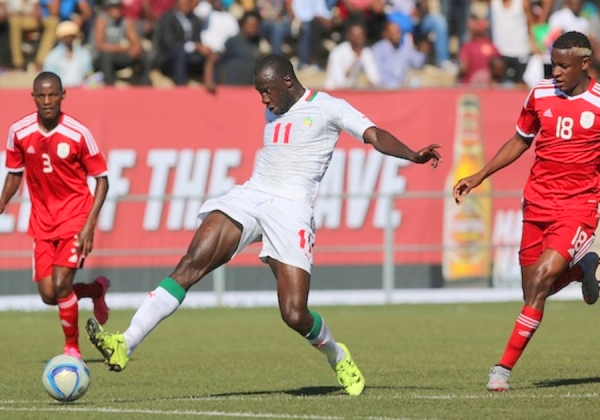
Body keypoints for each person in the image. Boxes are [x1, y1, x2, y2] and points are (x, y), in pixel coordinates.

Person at [85, 54, 442, 396]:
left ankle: (338, 356)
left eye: (267, 91)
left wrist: (412, 154)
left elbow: (374, 135)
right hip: (250, 196)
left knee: (294, 313)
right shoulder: (274, 108)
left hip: (292, 210)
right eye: (259, 92)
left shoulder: (329, 107)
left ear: (288, 82)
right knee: (190, 263)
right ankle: (124, 343)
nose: (263, 101)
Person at [453, 31, 600, 392]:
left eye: (564, 66)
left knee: (539, 283)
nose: (557, 71)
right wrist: (480, 174)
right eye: (553, 64)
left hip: (578, 207)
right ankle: (584, 268)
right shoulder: (540, 93)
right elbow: (521, 139)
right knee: (532, 290)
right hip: (536, 204)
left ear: (585, 64)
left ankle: (501, 370)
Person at [0, 72, 111, 359]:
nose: (48, 100)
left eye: (53, 95)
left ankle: (72, 349)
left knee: (62, 284)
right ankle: (95, 291)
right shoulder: (19, 132)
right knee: (50, 295)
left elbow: (102, 180)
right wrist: (2, 203)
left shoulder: (78, 133)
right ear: (34, 97)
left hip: (75, 217)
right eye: (42, 95)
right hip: (42, 222)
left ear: (63, 96)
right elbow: (14, 174)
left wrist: (89, 225)